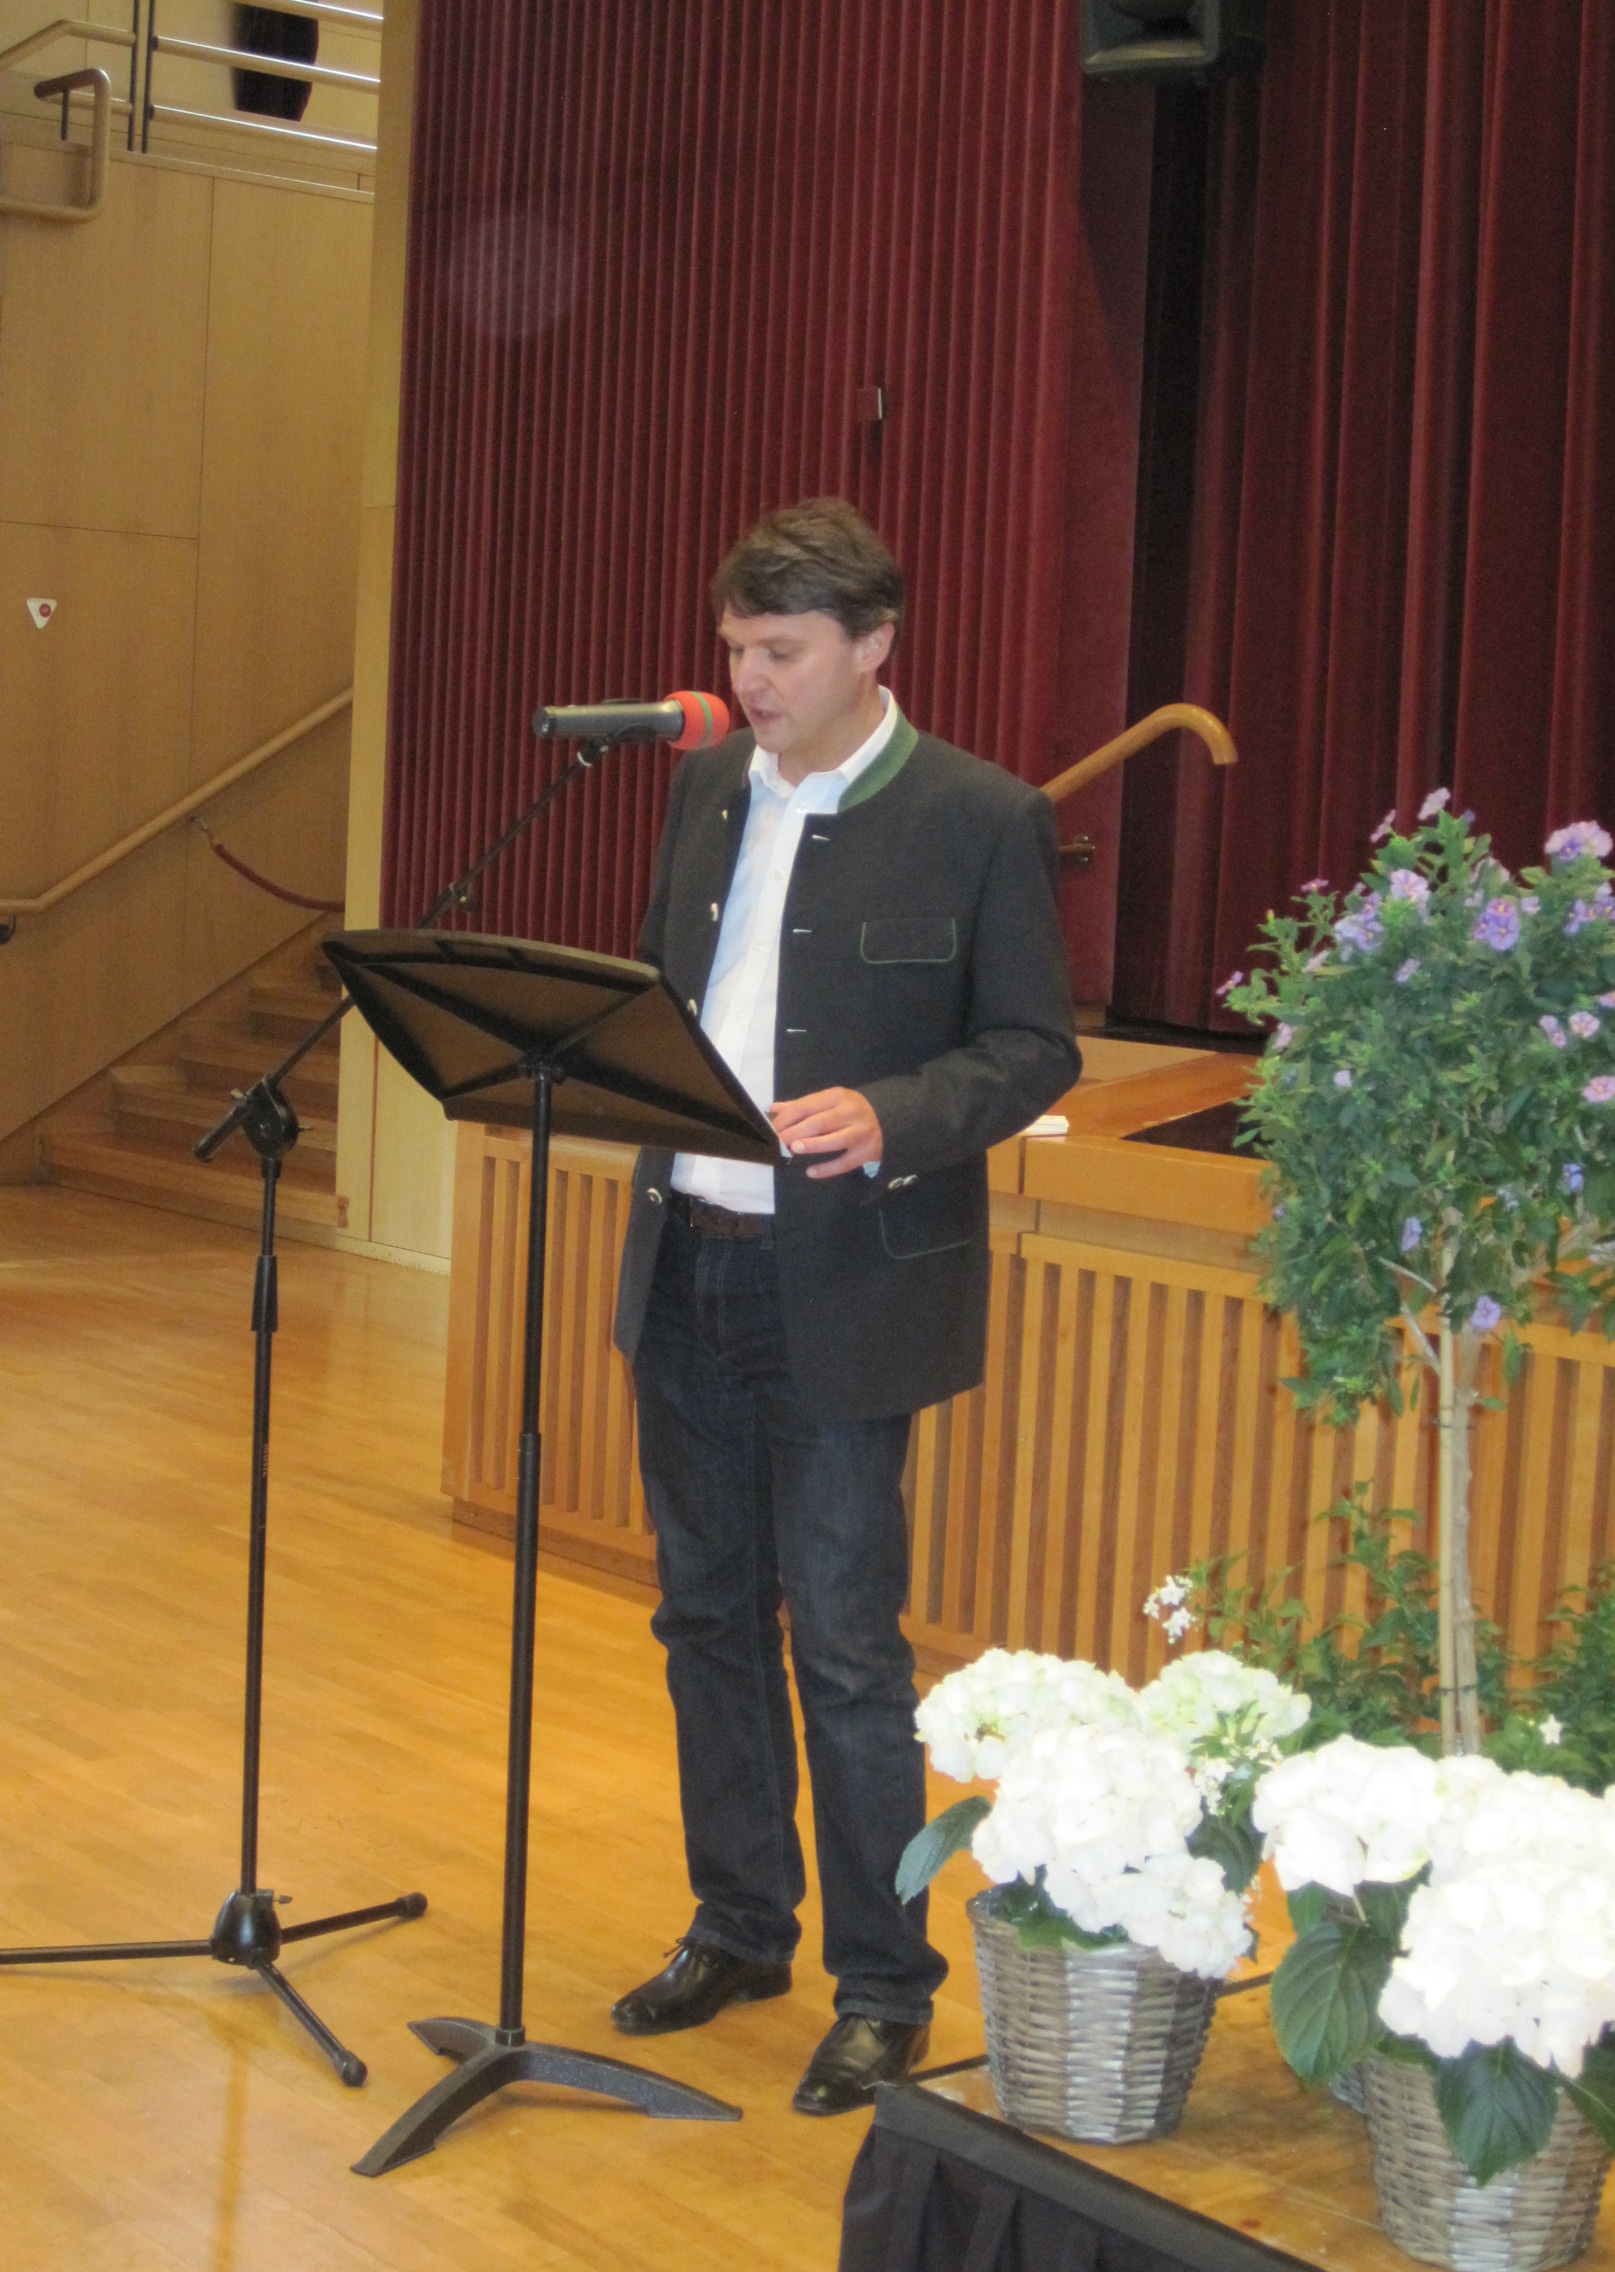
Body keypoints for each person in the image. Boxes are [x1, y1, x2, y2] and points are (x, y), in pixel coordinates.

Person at [610, 498, 1080, 2113]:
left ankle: (884, 1988)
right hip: (686, 1258)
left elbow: (1032, 1048)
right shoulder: (704, 787)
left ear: (876, 646)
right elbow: (665, 987)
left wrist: (894, 1112)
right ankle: (741, 1924)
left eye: (784, 651)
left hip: (845, 1288)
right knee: (704, 1618)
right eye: (738, 646)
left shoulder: (981, 817)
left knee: (848, 1645)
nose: (750, 678)